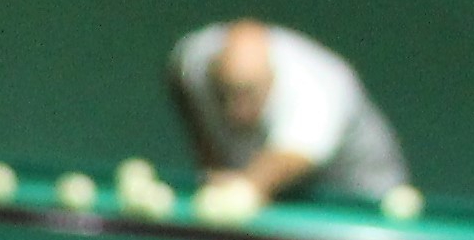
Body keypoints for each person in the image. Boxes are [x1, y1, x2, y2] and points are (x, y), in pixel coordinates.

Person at [165, 20, 411, 205]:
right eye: (224, 94)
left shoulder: (318, 87)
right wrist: (213, 164)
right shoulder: (194, 60)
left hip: (362, 196)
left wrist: (244, 187)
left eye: (249, 95)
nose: (236, 111)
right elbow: (181, 84)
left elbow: (292, 156)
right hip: (276, 191)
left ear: (272, 78)